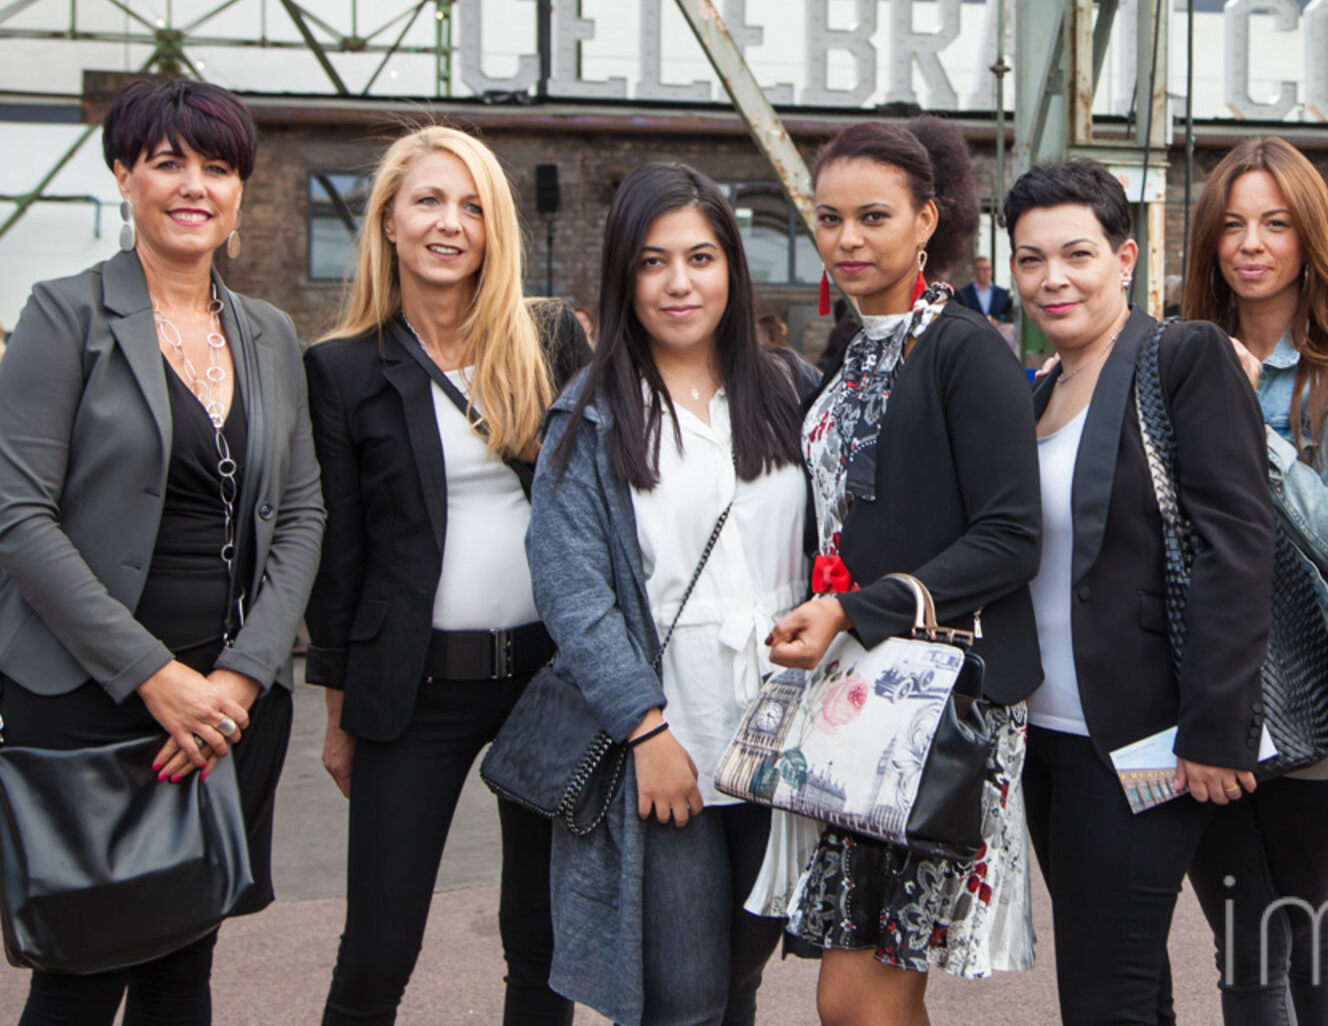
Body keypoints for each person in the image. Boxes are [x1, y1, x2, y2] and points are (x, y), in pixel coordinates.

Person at [0, 77, 324, 1024]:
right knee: (81, 971)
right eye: (167, 162)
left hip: (226, 705)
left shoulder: (269, 334)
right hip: (85, 692)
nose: (194, 186)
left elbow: (302, 514)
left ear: (240, 190)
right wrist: (154, 677)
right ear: (123, 176)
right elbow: (18, 515)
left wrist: (243, 677)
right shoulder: (64, 315)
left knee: (185, 959)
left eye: (217, 168)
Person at [748, 116, 1042, 1026]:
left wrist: (854, 609)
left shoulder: (965, 349)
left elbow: (1012, 537)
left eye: (873, 216)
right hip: (857, 699)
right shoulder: (853, 351)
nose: (847, 239)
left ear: (927, 219)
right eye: (829, 218)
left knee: (857, 999)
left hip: (937, 709)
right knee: (861, 998)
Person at [304, 127, 587, 1026]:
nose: (449, 224)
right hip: (411, 686)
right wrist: (337, 709)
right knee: (378, 950)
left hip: (548, 680)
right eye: (427, 201)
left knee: (541, 945)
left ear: (494, 228)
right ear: (388, 221)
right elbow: (340, 554)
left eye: (472, 207)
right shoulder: (341, 368)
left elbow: (601, 509)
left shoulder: (548, 339)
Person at [530, 163, 807, 1026]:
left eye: (700, 258)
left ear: (732, 267)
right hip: (671, 739)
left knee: (743, 974)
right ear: (624, 276)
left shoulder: (788, 388)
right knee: (681, 996)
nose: (679, 283)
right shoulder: (593, 414)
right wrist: (645, 730)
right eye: (653, 262)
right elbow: (573, 590)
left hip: (783, 735)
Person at [1007, 158, 1272, 1025]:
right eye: (1031, 259)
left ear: (1125, 259)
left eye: (1076, 254)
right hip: (1049, 735)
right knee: (1125, 983)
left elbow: (1239, 543)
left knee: (1103, 996)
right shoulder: (1037, 392)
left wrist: (1217, 728)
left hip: (1145, 735)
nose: (1053, 279)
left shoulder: (1182, 356)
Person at [1179, 136, 1328, 1026]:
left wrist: (1250, 429)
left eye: (1275, 223)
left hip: (1317, 677)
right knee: (1241, 934)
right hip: (1207, 676)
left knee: (1313, 928)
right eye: (1232, 225)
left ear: (1309, 235)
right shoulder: (1176, 354)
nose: (1251, 245)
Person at [958, 254, 1014, 326]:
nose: (987, 272)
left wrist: (999, 322)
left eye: (989, 269)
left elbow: (1008, 318)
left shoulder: (1003, 294)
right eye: (983, 269)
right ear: (975, 271)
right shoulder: (964, 294)